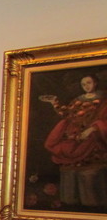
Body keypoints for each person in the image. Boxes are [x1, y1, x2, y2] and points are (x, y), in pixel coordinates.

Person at [41, 74, 107, 208]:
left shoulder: (103, 100)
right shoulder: (78, 100)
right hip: (75, 138)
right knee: (70, 175)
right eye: (83, 84)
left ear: (95, 83)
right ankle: (72, 208)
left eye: (89, 83)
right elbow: (67, 114)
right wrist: (54, 102)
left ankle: (94, 210)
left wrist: (92, 129)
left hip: (92, 141)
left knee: (89, 176)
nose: (86, 86)